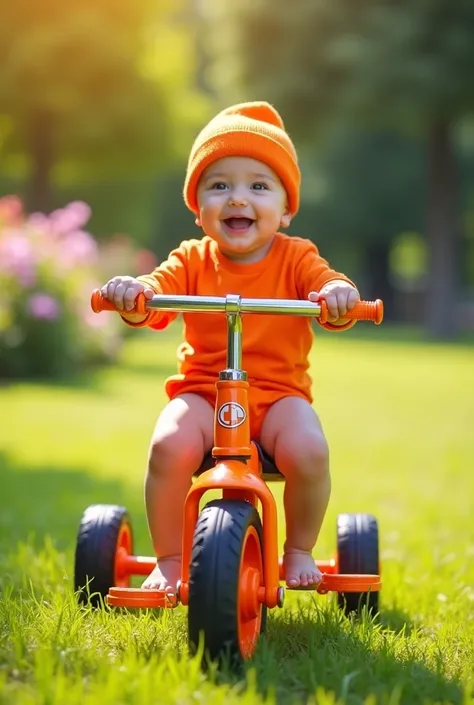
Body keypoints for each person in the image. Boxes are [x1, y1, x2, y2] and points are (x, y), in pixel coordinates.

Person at [101, 102, 360, 593]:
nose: (238, 198)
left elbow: (327, 284)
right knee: (169, 443)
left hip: (280, 397)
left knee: (309, 449)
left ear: (286, 209)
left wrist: (336, 296)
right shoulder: (192, 258)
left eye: (258, 186)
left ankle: (299, 548)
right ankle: (172, 558)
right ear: (198, 209)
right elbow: (155, 293)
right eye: (220, 185)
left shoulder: (297, 257)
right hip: (203, 394)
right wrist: (134, 296)